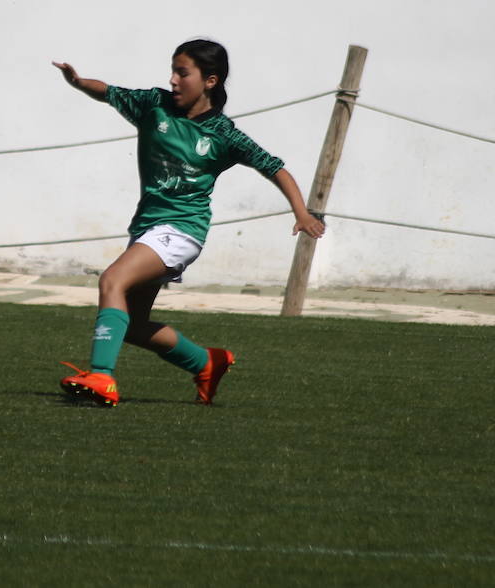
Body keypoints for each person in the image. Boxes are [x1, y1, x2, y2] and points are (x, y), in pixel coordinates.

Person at [52, 39, 325, 408]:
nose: (173, 80)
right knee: (131, 325)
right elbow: (110, 92)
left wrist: (301, 213)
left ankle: (102, 376)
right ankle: (205, 363)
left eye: (183, 73)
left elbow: (274, 168)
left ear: (210, 81)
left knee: (111, 281)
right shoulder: (153, 105)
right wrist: (78, 82)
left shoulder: (223, 134)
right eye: (173, 71)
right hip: (148, 228)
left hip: (181, 230)